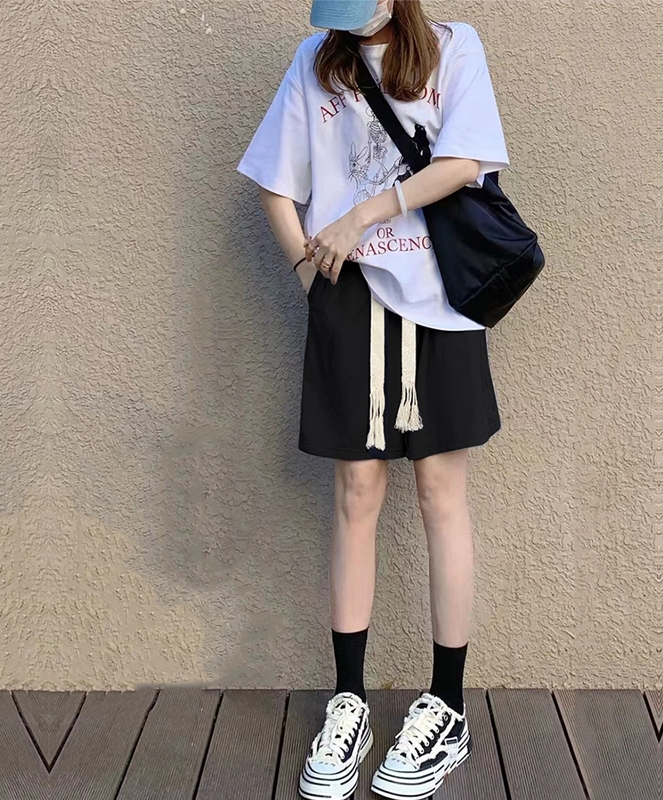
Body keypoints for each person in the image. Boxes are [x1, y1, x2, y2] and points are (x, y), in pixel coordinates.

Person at [237, 1, 511, 797]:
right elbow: (273, 183)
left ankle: (448, 707)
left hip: (442, 300)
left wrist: (363, 213)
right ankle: (349, 700)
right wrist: (311, 277)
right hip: (352, 301)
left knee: (440, 493)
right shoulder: (314, 61)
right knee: (356, 490)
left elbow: (463, 162)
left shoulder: (454, 49)